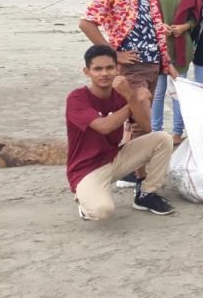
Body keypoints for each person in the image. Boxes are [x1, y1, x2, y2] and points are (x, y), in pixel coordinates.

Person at [79, 0, 177, 140]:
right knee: (139, 119)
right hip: (132, 65)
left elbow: (154, 28)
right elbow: (87, 23)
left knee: (140, 119)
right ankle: (136, 172)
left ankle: (137, 170)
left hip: (152, 64)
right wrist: (114, 54)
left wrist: (166, 62)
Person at [67, 45, 175, 220]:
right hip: (86, 169)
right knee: (102, 211)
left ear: (118, 69)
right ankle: (84, 199)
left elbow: (146, 128)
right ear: (87, 72)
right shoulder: (77, 98)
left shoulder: (121, 95)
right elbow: (104, 126)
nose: (104, 73)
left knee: (162, 139)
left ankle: (146, 194)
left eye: (109, 68)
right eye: (98, 69)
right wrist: (132, 101)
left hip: (115, 158)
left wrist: (131, 98)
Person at [146, 0, 202, 146]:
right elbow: (143, 13)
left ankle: (177, 132)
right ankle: (156, 131)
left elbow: (196, 17)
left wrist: (184, 27)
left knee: (179, 92)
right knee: (158, 91)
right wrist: (159, 25)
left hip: (181, 45)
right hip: (155, 45)